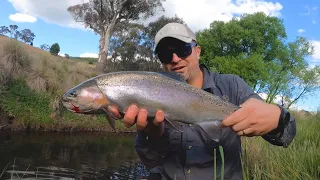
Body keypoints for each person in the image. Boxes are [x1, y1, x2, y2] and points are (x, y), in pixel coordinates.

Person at [108, 23, 296, 180]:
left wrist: (279, 119)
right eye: (166, 55)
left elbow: (287, 134)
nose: (174, 59)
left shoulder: (232, 85)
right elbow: (151, 161)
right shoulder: (149, 95)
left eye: (183, 50)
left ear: (197, 51)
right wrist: (153, 134)